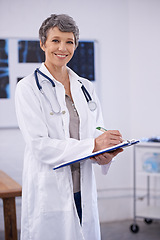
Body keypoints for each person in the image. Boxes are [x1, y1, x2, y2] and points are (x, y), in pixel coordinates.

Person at [15, 14, 123, 240]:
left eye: (69, 41)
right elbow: (40, 146)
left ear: (75, 45)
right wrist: (92, 146)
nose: (62, 47)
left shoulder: (86, 87)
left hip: (82, 190)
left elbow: (97, 131)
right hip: (50, 192)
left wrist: (104, 153)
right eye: (55, 40)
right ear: (43, 44)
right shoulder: (27, 88)